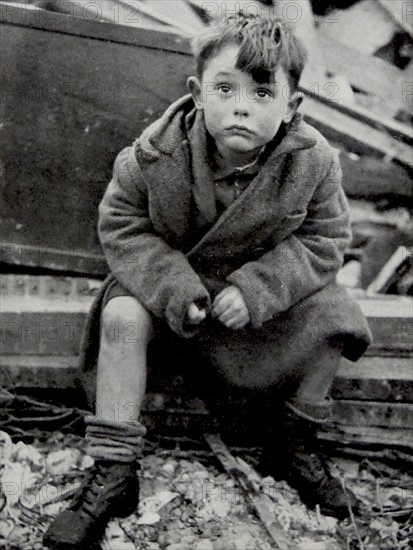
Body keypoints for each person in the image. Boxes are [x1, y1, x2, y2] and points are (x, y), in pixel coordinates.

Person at [44, 12, 371, 549]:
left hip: (256, 304)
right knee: (121, 316)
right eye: (225, 88)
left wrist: (258, 288)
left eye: (263, 93)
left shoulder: (314, 162)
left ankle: (290, 443)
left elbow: (326, 238)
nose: (241, 105)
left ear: (292, 106)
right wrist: (174, 288)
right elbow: (122, 225)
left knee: (339, 317)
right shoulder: (153, 154)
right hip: (172, 291)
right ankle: (115, 470)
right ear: (198, 93)